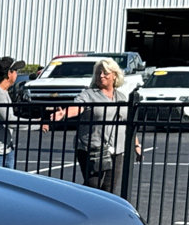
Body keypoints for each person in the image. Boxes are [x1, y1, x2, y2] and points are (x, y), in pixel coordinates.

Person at [45, 58, 140, 192]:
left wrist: (136, 144)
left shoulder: (121, 97)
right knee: (93, 186)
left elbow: (127, 123)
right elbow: (78, 107)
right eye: (98, 73)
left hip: (117, 149)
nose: (101, 76)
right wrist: (64, 114)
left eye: (105, 73)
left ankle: (104, 212)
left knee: (109, 188)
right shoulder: (89, 95)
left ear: (114, 75)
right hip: (92, 148)